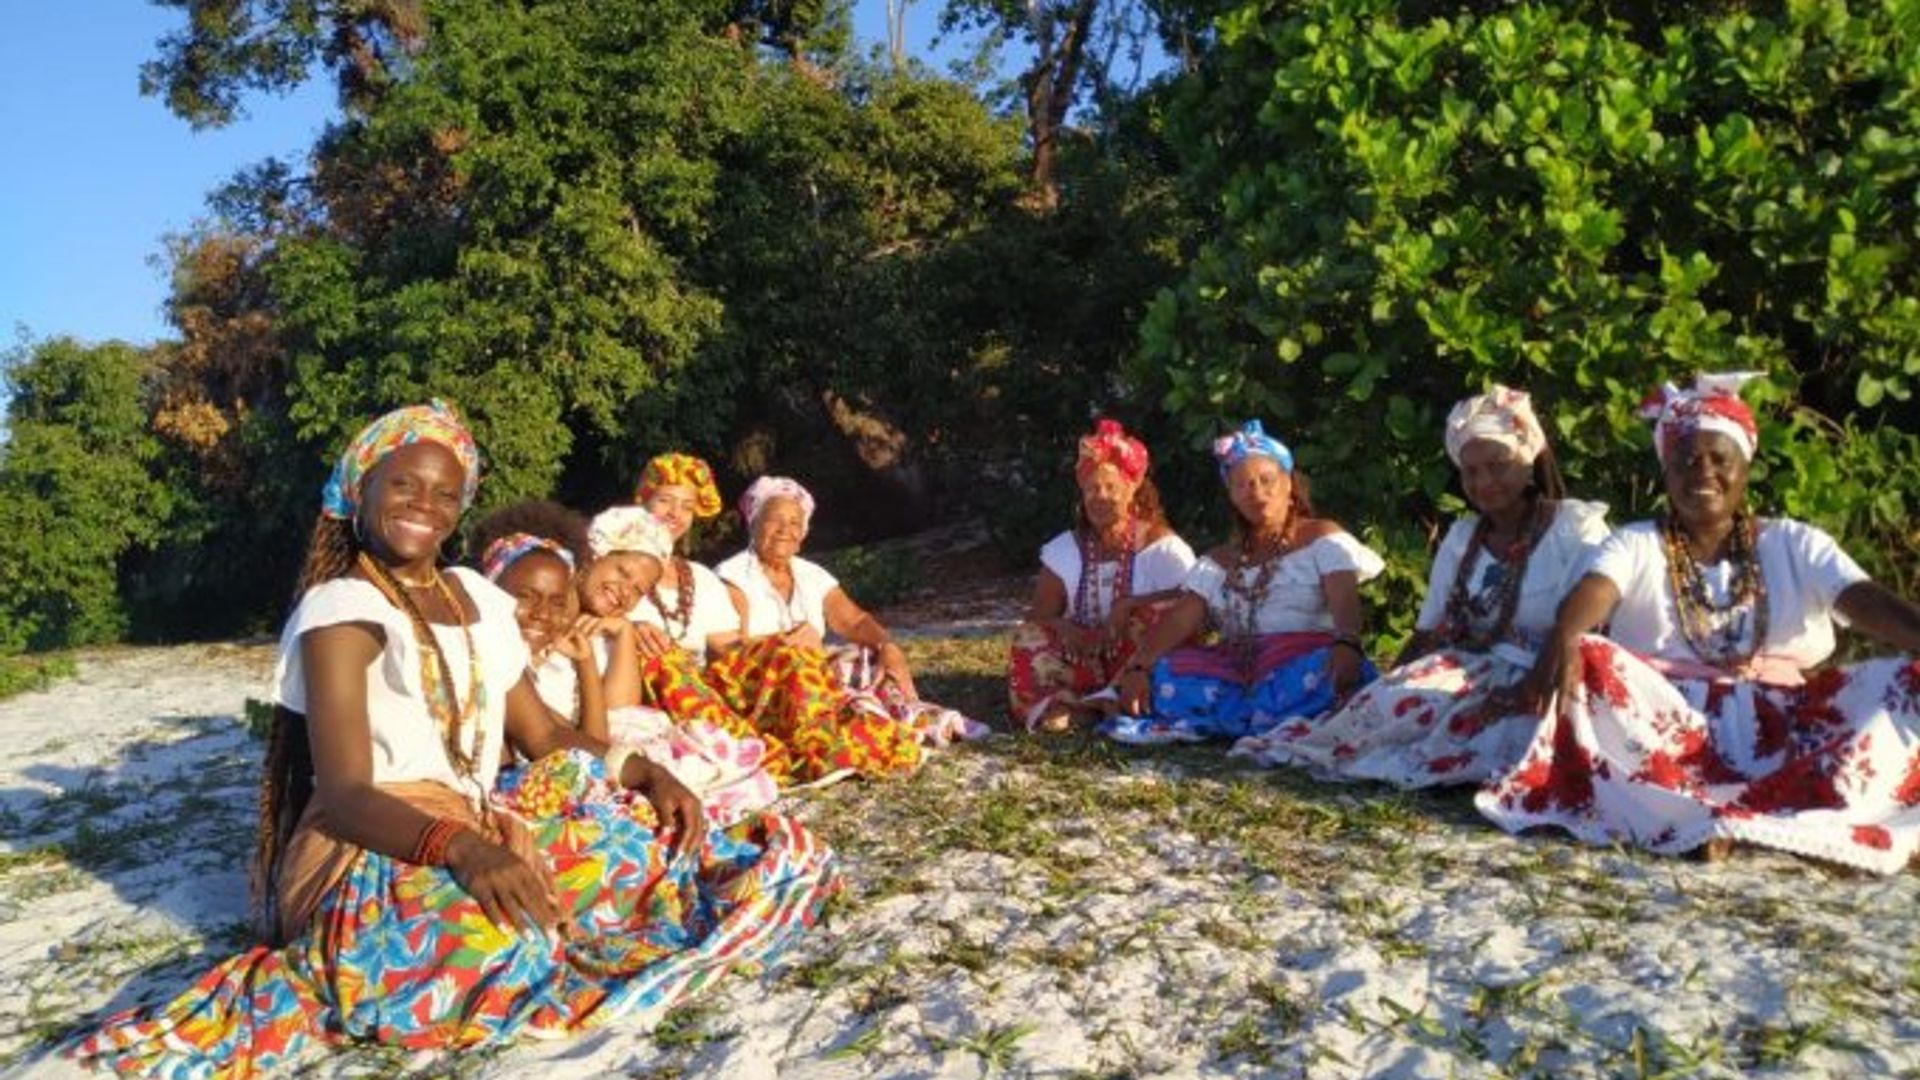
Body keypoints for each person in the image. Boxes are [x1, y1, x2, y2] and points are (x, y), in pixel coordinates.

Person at [68, 402, 837, 1076]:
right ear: (357, 491)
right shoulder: (341, 606)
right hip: (366, 845)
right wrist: (465, 850)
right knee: (510, 943)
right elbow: (345, 793)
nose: (423, 505)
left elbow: (539, 732)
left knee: (627, 832)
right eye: (401, 484)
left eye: (444, 491)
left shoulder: (474, 597)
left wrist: (639, 771)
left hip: (465, 822)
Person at [1477, 374, 1920, 873]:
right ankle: (1700, 818)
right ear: (1666, 474)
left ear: (1745, 468)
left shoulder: (1796, 542)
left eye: (1718, 459)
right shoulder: (1637, 541)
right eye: (1685, 461)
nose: (1702, 473)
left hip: (1789, 720)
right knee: (1592, 658)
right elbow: (1594, 592)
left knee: (1903, 682)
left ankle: (1758, 816)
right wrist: (1565, 635)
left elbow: (1866, 601)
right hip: (1664, 718)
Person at [1236, 387, 1609, 786]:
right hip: (1469, 666)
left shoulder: (1574, 527)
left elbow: (1594, 628)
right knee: (1391, 709)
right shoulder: (1463, 538)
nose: (1484, 482)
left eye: (1498, 466)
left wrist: (1533, 682)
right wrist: (1383, 691)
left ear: (1528, 462)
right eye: (1471, 471)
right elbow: (1428, 631)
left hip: (1548, 671)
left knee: (1506, 733)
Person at [479, 501, 779, 826]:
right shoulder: (508, 639)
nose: (625, 592)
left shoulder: (594, 631)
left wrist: (615, 641)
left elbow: (602, 724)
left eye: (639, 590)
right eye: (622, 572)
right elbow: (556, 736)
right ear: (594, 556)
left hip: (585, 749)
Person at [1109, 421, 1384, 745]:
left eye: (1266, 480)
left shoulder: (1322, 537)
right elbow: (1182, 617)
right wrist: (1140, 667)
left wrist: (1347, 642)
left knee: (1324, 671)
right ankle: (1259, 715)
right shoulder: (1219, 561)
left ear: (1289, 484)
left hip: (1301, 664)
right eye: (1243, 485)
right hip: (1237, 669)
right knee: (1165, 672)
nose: (1256, 492)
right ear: (1233, 498)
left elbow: (1344, 596)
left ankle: (1246, 716)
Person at [715, 477, 984, 772]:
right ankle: (870, 730)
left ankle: (911, 716)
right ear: (753, 523)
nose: (785, 531)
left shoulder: (810, 574)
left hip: (815, 675)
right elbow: (729, 652)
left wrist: (887, 646)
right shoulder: (731, 576)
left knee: (865, 658)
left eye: (795, 523)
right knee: (820, 670)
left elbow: (854, 620)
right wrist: (784, 645)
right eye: (774, 520)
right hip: (768, 689)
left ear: (803, 532)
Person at [1007, 419, 1196, 733]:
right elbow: (1038, 617)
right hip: (1082, 656)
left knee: (1158, 617)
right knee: (1028, 637)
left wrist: (1129, 605)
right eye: (1092, 488)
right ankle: (1073, 706)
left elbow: (1194, 606)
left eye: (1111, 487)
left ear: (1132, 488)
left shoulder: (1164, 548)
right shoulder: (1063, 550)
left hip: (1138, 663)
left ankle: (1119, 699)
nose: (1100, 497)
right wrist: (1063, 626)